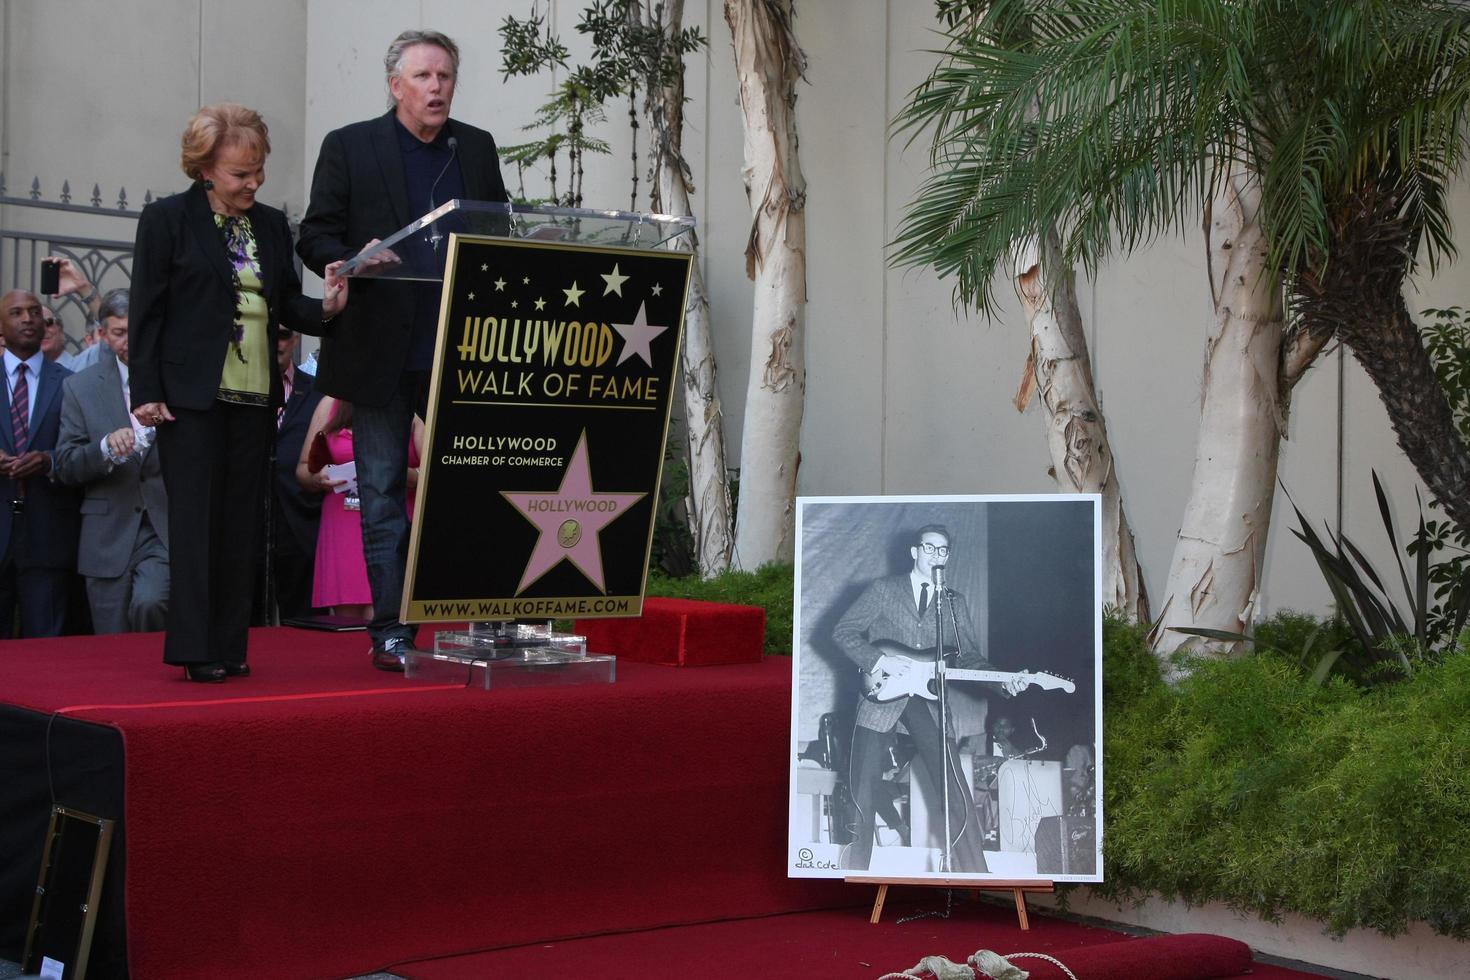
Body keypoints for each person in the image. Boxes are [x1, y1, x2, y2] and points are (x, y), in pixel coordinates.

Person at [297, 28, 508, 671]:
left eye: (444, 76)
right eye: (423, 77)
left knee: (472, 487)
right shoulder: (350, 146)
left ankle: (479, 614)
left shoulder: (474, 147)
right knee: (383, 488)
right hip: (379, 350)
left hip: (458, 345)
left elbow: (495, 226)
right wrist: (349, 262)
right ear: (396, 86)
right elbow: (315, 234)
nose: (436, 87)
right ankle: (391, 628)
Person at [129, 102, 347, 682]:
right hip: (189, 397)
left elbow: (285, 304)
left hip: (255, 397)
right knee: (197, 523)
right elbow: (146, 310)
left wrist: (326, 308)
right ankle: (196, 649)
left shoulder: (272, 225)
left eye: (258, 171)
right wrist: (144, 390)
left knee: (239, 524)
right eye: (239, 174)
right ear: (204, 169)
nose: (253, 183)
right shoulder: (166, 220)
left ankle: (231, 644)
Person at [832, 524, 1023, 873]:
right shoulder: (883, 590)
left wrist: (1002, 682)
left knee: (955, 791)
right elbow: (843, 631)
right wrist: (878, 660)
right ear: (914, 552)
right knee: (862, 789)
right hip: (881, 696)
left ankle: (976, 872)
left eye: (943, 550)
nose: (936, 555)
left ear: (947, 556)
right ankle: (855, 874)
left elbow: (969, 658)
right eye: (930, 548)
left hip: (929, 699)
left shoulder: (953, 602)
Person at [54, 290, 170, 633]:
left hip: (162, 527)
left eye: (136, 331)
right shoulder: (80, 387)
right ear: (102, 334)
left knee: (152, 602)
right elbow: (65, 464)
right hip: (107, 532)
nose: (130, 341)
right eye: (119, 333)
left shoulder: (176, 381)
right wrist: (104, 448)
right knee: (109, 636)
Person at [296, 397, 423, 620]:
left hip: (393, 523)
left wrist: (400, 473)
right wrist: (318, 478)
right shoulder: (331, 403)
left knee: (385, 611)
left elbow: (434, 473)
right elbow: (303, 470)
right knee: (347, 625)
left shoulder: (408, 404)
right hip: (342, 526)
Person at [0, 290, 81, 637]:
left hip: (48, 534)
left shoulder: (69, 382)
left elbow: (82, 451)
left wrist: (49, 460)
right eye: (17, 312)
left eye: (36, 313)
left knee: (45, 651)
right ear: (1, 326)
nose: (29, 319)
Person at [272, 327, 325, 619]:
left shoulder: (317, 393)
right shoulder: (229, 390)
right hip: (247, 528)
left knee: (302, 631)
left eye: (281, 334)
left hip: (302, 525)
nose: (275, 343)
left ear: (295, 340)